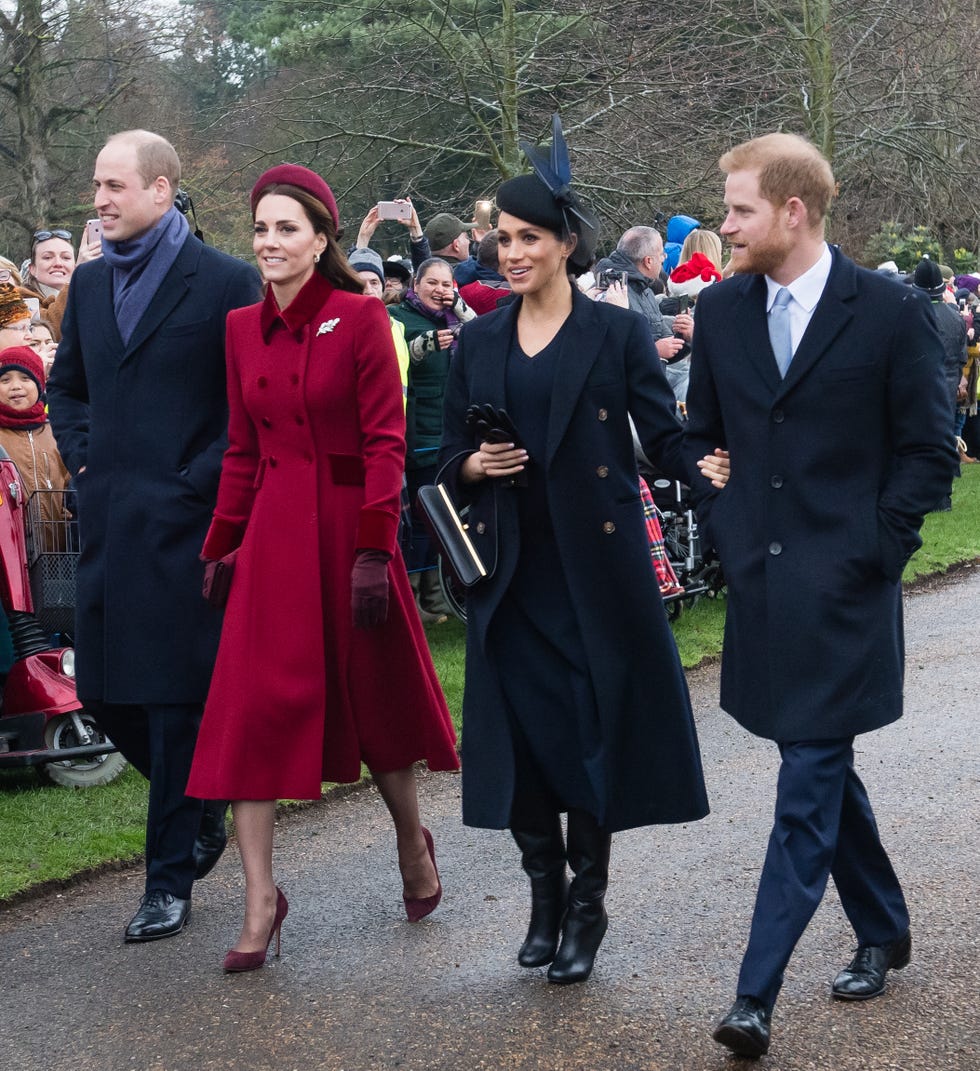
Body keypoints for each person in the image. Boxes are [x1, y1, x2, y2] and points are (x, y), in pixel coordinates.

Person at [684, 132, 957, 1058]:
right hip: (761, 588)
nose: (724, 226)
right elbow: (697, 436)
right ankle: (882, 924)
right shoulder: (720, 312)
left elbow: (929, 450)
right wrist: (707, 483)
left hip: (845, 592)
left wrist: (876, 550)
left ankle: (754, 993)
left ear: (792, 212)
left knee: (805, 781)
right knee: (821, 764)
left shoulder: (888, 312)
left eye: (738, 211)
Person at [438, 116, 720, 986]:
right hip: (509, 571)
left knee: (593, 739)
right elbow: (442, 458)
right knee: (522, 742)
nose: (510, 253)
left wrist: (710, 468)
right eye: (503, 240)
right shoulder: (477, 339)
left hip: (595, 573)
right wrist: (473, 464)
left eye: (528, 239)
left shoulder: (615, 333)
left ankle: (589, 901)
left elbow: (661, 436)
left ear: (566, 243)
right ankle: (544, 896)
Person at [185, 164, 459, 973]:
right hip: (270, 541)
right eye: (261, 229)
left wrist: (378, 547)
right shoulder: (239, 329)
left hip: (349, 536)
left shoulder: (361, 318)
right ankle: (261, 897)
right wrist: (219, 545)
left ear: (321, 239)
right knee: (250, 714)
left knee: (375, 704)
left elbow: (385, 442)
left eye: (286, 229)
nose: (269, 243)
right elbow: (242, 450)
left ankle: (413, 840)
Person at [47, 130, 262, 944]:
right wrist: (88, 459)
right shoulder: (93, 285)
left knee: (174, 706)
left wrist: (193, 480)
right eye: (95, 185)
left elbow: (248, 403)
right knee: (101, 690)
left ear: (163, 190)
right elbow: (68, 388)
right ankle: (204, 806)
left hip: (187, 528)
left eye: (113, 185)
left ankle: (167, 882)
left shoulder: (226, 283)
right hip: (108, 522)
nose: (99, 200)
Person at [388, 257, 476, 620]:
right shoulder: (398, 317)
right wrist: (421, 347)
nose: (440, 291)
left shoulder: (454, 319)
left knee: (443, 515)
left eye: (447, 285)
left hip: (449, 430)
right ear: (415, 285)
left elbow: (484, 332)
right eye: (433, 284)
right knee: (422, 517)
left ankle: (437, 594)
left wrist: (458, 305)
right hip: (416, 431)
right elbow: (391, 359)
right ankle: (413, 594)